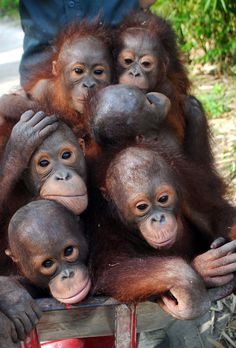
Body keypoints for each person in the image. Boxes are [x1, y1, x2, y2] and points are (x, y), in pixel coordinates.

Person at [19, 0, 155, 86]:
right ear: (57, 69)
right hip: (43, 61)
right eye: (78, 71)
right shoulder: (43, 87)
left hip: (118, 60)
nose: (88, 85)